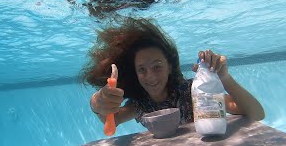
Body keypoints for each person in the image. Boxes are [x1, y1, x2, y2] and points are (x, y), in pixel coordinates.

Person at [80, 17, 265, 127]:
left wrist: (225, 78)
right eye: (142, 70)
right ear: (135, 74)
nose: (150, 76)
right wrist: (96, 103)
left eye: (157, 66)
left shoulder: (191, 93)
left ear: (170, 67)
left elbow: (256, 114)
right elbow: (111, 120)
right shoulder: (141, 105)